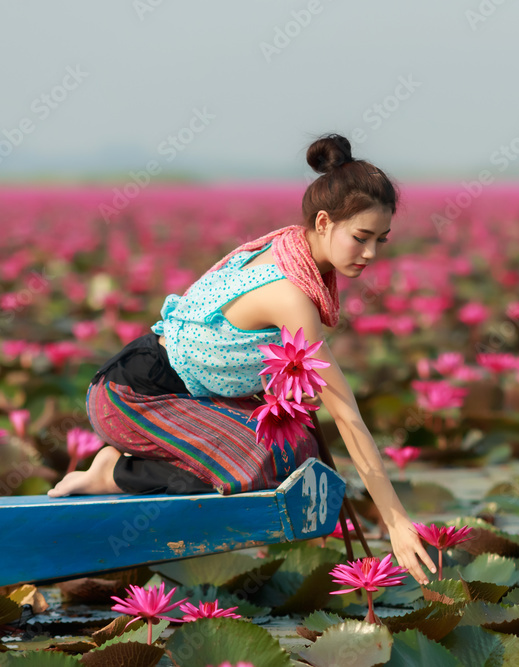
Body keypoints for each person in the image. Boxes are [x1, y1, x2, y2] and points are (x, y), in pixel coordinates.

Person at [47, 133, 437, 585]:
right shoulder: (292, 297)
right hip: (131, 396)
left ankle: (126, 462)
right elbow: (347, 417)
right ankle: (112, 471)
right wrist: (396, 523)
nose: (370, 254)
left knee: (294, 453)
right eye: (361, 237)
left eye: (381, 241)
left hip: (177, 396)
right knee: (253, 470)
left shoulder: (287, 246)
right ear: (325, 222)